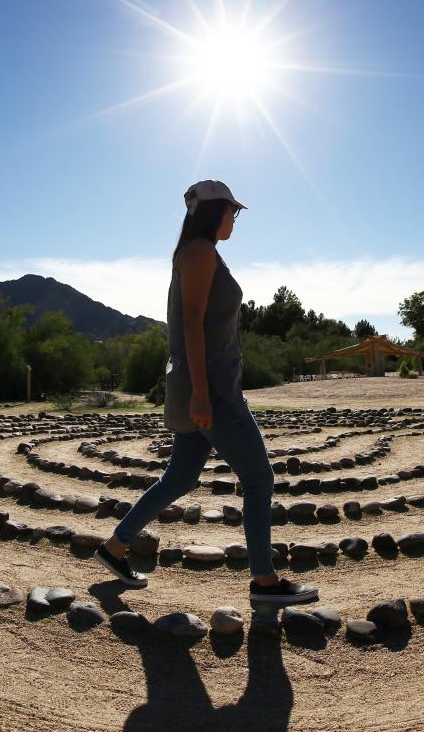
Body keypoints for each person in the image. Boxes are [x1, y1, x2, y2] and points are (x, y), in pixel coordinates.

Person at [94, 180, 318, 605]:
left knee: (179, 477)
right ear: (213, 211)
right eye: (231, 210)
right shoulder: (199, 252)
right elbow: (192, 323)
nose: (235, 217)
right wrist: (201, 393)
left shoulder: (202, 252)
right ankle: (264, 582)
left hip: (203, 386)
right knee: (258, 478)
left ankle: (115, 547)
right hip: (212, 391)